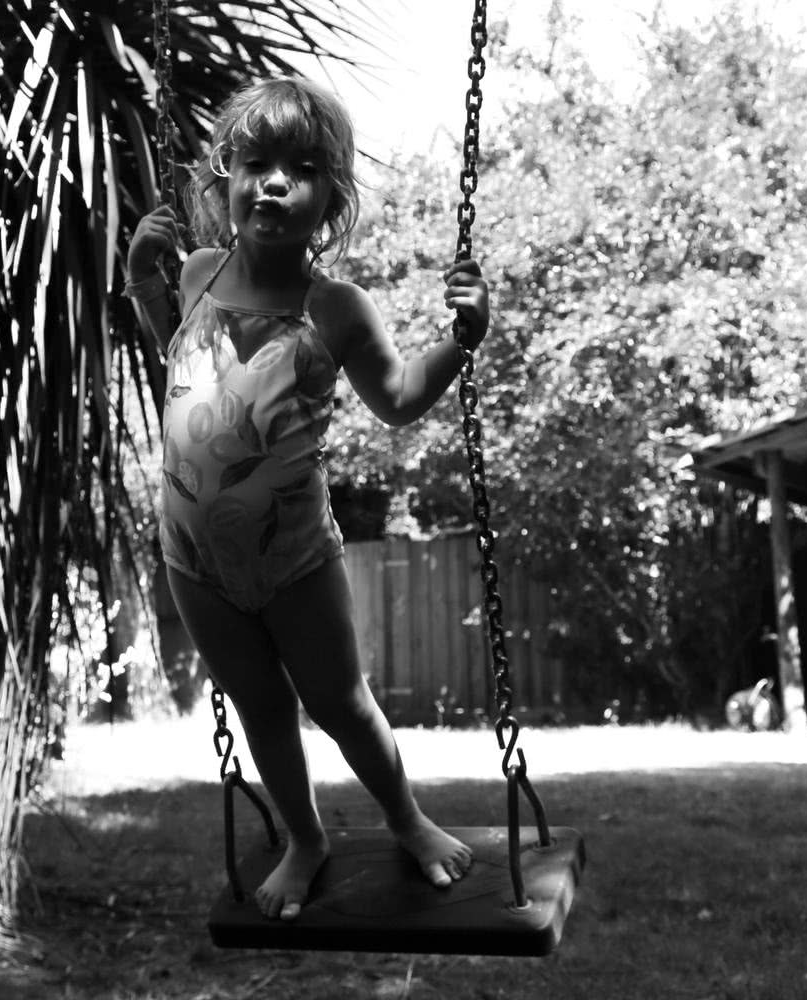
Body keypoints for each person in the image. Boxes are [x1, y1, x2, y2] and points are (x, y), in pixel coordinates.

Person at [126, 77, 490, 922]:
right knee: (261, 707)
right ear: (225, 177)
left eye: (302, 169)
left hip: (294, 556)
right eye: (257, 164)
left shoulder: (335, 308)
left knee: (341, 702)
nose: (275, 183)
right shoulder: (197, 273)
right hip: (193, 558)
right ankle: (305, 838)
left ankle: (407, 819)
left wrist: (461, 339)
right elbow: (180, 356)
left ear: (332, 198)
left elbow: (398, 399)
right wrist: (144, 276)